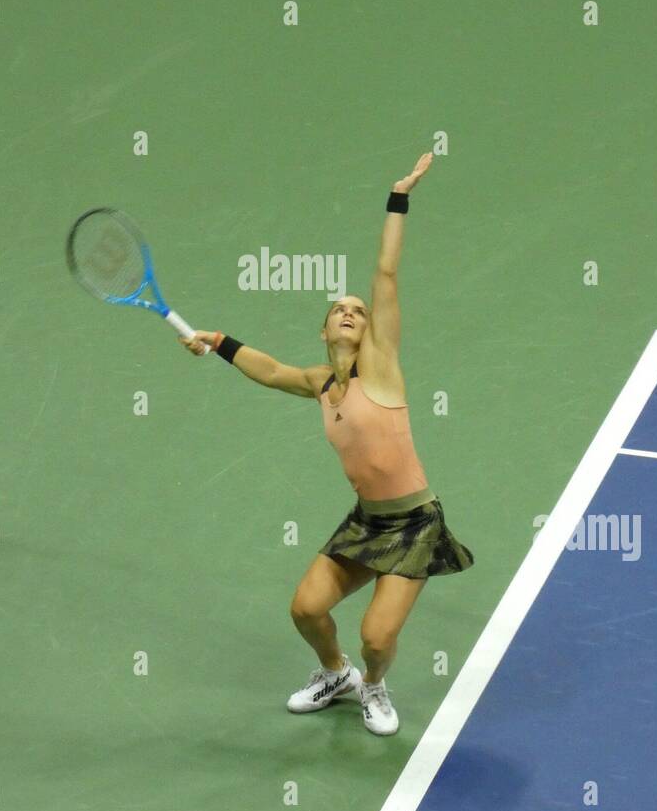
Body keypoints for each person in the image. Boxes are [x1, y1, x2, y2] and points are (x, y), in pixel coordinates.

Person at [179, 153, 474, 736]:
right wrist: (218, 341)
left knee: (377, 637)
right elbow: (269, 371)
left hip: (414, 525)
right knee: (307, 609)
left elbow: (385, 276)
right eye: (339, 309)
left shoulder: (382, 368)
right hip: (366, 522)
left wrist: (399, 198)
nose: (349, 312)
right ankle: (335, 674)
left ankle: (374, 683)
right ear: (324, 329)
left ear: (370, 331)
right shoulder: (320, 383)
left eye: (358, 312)